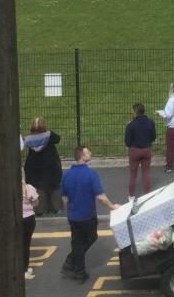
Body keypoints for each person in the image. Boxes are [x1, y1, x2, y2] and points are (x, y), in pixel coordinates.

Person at [60, 146, 119, 283]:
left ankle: (75, 268)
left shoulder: (66, 175)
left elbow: (64, 199)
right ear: (82, 156)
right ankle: (73, 266)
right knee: (91, 237)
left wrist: (71, 209)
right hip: (87, 216)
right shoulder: (91, 174)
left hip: (73, 216)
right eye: (88, 152)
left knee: (77, 242)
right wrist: (112, 206)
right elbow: (100, 197)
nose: (91, 153)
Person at [24, 117, 64, 216]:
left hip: (34, 165)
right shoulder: (50, 135)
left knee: (38, 187)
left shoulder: (28, 138)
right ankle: (56, 208)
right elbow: (58, 139)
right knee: (54, 187)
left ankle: (40, 210)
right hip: (51, 164)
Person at [124, 103, 156, 197]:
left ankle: (131, 196)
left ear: (135, 112)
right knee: (146, 173)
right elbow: (153, 137)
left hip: (134, 151)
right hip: (146, 150)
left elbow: (127, 142)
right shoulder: (151, 122)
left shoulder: (130, 125)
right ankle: (146, 195)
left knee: (133, 174)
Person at [21, 176, 39, 280]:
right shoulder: (28, 188)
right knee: (25, 245)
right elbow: (36, 202)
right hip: (28, 219)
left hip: (14, 219)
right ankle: (24, 269)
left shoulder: (7, 189)